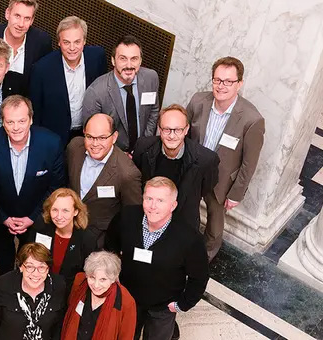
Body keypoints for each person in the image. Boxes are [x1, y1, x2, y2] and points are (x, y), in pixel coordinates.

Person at [105, 177, 209, 340]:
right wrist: (113, 275)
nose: (153, 206)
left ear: (173, 205)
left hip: (163, 307)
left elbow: (199, 277)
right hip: (128, 298)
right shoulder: (127, 217)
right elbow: (110, 246)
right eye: (149, 199)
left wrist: (182, 304)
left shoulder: (189, 238)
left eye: (160, 200)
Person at [186, 56, 265, 261]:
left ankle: (203, 259)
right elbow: (185, 135)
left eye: (228, 81)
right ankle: (184, 249)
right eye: (217, 80)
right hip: (193, 171)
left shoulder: (252, 119)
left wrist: (236, 193)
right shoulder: (198, 101)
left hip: (221, 181)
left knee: (214, 225)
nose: (222, 86)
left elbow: (249, 162)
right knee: (186, 214)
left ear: (239, 84)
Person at [0, 95, 64, 272]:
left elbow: (55, 187)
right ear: (2, 122)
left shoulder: (51, 143)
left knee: (36, 268)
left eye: (22, 121)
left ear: (31, 119)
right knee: (0, 269)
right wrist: (3, 217)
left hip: (37, 217)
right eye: (10, 122)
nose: (16, 128)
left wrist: (33, 217)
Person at [132, 104, 219, 229]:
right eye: (167, 129)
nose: (172, 136)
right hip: (148, 217)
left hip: (183, 222)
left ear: (186, 129)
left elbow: (206, 187)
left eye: (177, 130)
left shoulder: (206, 160)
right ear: (159, 129)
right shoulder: (143, 147)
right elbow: (137, 179)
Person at [65, 113, 142, 248]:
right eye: (89, 137)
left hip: (100, 240)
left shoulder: (127, 174)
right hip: (68, 228)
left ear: (114, 137)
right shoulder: (74, 148)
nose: (95, 144)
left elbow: (132, 216)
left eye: (102, 138)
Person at [30, 16, 107, 146]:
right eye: (66, 42)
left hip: (89, 133)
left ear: (84, 41)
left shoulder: (97, 57)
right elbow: (35, 111)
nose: (72, 48)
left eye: (77, 42)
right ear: (59, 42)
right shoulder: (41, 69)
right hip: (55, 137)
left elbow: (104, 93)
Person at [81, 35, 160, 152]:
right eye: (123, 58)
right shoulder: (95, 93)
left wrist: (144, 144)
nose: (129, 65)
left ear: (140, 61)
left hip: (143, 151)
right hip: (113, 154)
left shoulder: (151, 78)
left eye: (134, 59)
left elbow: (153, 110)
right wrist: (119, 155)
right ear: (113, 60)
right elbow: (92, 136)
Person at [0, 243, 67, 340]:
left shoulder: (59, 286)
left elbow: (59, 328)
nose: (36, 273)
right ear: (21, 267)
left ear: (48, 269)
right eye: (30, 267)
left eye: (41, 267)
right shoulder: (4, 285)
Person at [27, 188, 96, 286]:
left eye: (65, 211)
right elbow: (28, 257)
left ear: (75, 211)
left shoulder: (87, 239)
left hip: (69, 291)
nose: (59, 216)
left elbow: (89, 274)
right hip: (38, 285)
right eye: (55, 210)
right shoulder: (40, 227)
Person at [61, 251, 136, 340]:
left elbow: (126, 337)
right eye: (92, 277)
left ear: (114, 278)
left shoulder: (126, 302)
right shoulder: (79, 282)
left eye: (103, 279)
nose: (96, 285)